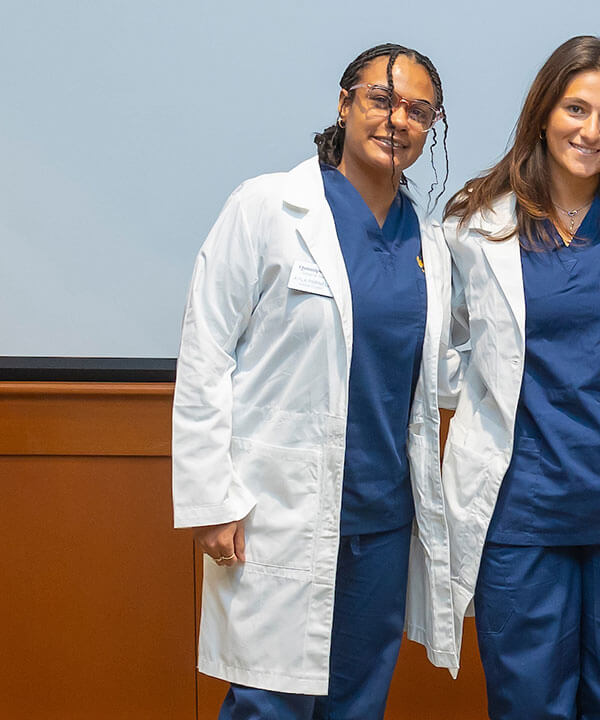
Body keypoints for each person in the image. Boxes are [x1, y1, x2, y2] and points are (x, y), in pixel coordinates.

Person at [171, 43, 454, 718]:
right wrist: (212, 497)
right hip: (276, 511)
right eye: (382, 100)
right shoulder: (268, 206)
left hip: (383, 521)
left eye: (419, 111)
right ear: (345, 102)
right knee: (268, 702)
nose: (398, 120)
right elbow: (206, 350)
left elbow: (436, 377)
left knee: (358, 703)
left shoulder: (431, 243)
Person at [438, 35, 600, 720]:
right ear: (544, 112)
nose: (592, 131)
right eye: (576, 109)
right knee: (526, 705)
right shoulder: (476, 222)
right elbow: (445, 349)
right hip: (524, 512)